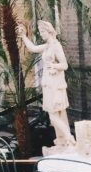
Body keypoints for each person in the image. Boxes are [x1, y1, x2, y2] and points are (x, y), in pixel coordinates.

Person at [16, 20, 75, 148]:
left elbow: (64, 65)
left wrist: (54, 66)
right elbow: (33, 48)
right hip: (48, 83)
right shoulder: (47, 46)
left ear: (49, 32)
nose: (41, 34)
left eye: (43, 32)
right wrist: (24, 36)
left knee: (53, 115)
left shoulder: (56, 46)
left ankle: (69, 138)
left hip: (55, 84)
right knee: (57, 114)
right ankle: (62, 140)